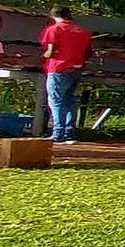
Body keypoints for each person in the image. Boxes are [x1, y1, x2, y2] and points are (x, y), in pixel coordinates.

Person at [39, 7, 93, 145]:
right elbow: (88, 53)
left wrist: (42, 56)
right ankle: (69, 133)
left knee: (56, 100)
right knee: (70, 100)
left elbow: (51, 52)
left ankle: (58, 133)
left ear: (53, 16)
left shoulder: (54, 29)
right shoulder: (82, 31)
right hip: (76, 68)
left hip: (58, 68)